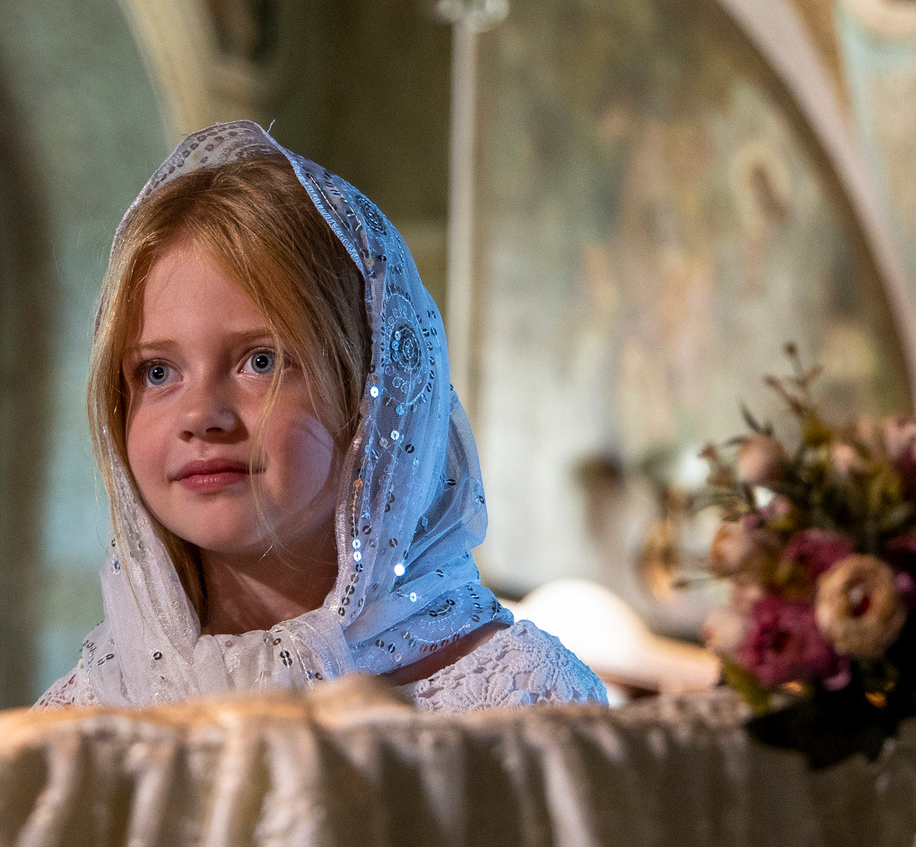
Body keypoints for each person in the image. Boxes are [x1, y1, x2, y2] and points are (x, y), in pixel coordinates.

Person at [37, 121, 605, 711]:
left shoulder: (523, 701)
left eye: (262, 361)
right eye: (158, 372)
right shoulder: (82, 715)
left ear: (374, 393)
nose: (201, 415)